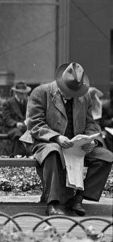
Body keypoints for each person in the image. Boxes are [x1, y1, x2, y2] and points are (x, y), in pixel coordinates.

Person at [20, 62, 113, 216]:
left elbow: (91, 123)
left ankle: (78, 199)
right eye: (66, 90)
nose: (70, 95)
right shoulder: (40, 92)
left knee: (106, 157)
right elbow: (34, 124)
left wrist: (91, 141)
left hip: (75, 144)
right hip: (45, 141)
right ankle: (53, 203)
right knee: (53, 152)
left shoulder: (85, 95)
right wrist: (56, 137)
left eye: (74, 92)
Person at [3, 81, 31, 156]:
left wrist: (27, 121)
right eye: (22, 93)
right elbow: (7, 119)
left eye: (25, 93)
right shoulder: (8, 103)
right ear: (17, 93)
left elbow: (30, 115)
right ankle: (18, 156)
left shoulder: (28, 102)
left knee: (33, 132)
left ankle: (28, 154)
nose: (25, 95)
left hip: (25, 126)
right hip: (12, 128)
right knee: (17, 133)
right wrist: (16, 124)